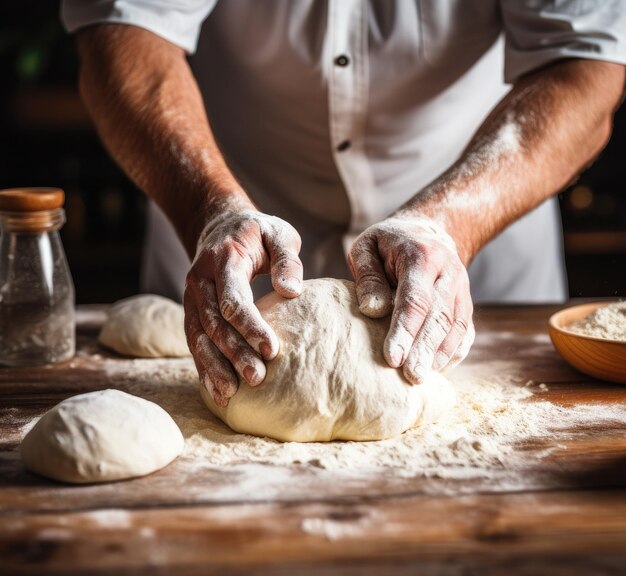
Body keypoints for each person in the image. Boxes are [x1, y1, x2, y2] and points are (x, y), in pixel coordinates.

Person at [62, 1, 625, 407]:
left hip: (472, 235)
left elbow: (584, 65)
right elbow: (124, 33)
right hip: (228, 234)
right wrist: (212, 211)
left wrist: (447, 224)